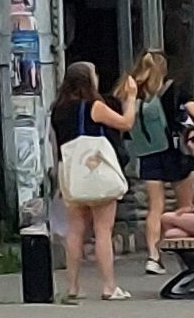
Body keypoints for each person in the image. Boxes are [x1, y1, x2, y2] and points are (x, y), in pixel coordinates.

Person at [51, 59, 140, 302]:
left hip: (71, 174)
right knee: (103, 230)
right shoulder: (94, 106)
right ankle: (109, 286)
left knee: (75, 230)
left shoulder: (58, 108)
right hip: (96, 174)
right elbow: (126, 123)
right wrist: (131, 99)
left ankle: (72, 287)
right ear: (89, 81)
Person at [127, 49, 194, 275]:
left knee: (155, 208)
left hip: (149, 154)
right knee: (184, 208)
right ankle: (189, 258)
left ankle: (153, 256)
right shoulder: (174, 90)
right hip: (176, 153)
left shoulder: (136, 92)